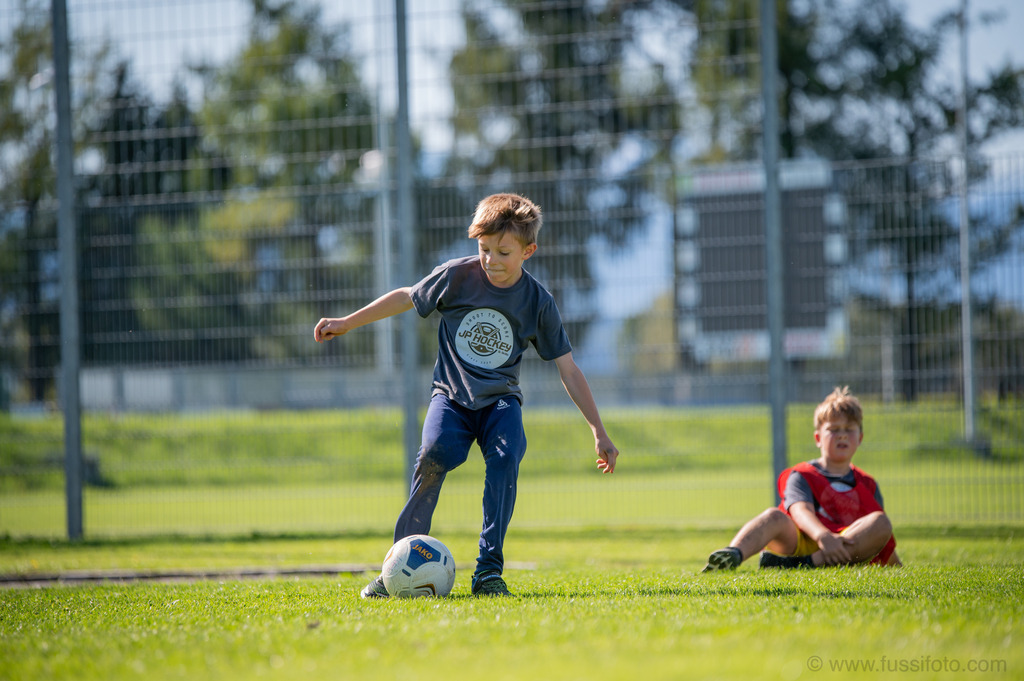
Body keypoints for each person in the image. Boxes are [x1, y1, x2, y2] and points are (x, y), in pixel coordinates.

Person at [314, 193, 619, 597]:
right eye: (484, 249)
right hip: (452, 398)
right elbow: (408, 295)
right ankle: (396, 569)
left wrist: (598, 429)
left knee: (507, 457)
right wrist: (347, 323)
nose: (491, 259)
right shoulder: (457, 276)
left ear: (528, 251)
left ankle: (489, 571)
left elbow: (568, 369)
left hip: (501, 402)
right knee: (433, 455)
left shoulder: (538, 302)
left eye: (503, 252)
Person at [702, 386, 900, 572]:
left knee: (881, 522)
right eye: (833, 429)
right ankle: (733, 554)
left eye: (849, 429)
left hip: (844, 545)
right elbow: (800, 511)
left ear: (860, 438)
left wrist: (896, 567)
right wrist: (823, 536)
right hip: (803, 540)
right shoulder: (803, 474)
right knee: (773, 516)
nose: (842, 436)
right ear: (817, 438)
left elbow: (879, 536)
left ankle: (801, 564)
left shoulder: (867, 484)